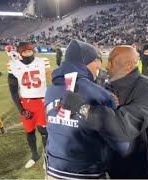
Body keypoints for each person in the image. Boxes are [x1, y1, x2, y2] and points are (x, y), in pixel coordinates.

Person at [60, 45, 148, 178]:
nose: (107, 67)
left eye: (111, 62)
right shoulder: (106, 87)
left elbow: (124, 127)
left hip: (143, 170)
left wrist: (83, 108)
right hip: (112, 167)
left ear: (128, 65)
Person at [45, 40, 127, 179]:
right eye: (97, 63)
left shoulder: (50, 89)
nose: (98, 68)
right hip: (87, 172)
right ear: (88, 61)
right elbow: (121, 144)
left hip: (53, 169)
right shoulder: (100, 94)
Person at [8, 42, 51, 169]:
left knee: (44, 131)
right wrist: (21, 109)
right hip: (26, 103)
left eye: (30, 51)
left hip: (42, 101)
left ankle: (46, 156)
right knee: (29, 131)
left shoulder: (43, 61)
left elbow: (51, 79)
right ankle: (34, 155)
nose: (28, 53)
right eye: (24, 52)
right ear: (20, 53)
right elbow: (13, 89)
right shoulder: (13, 65)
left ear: (34, 51)